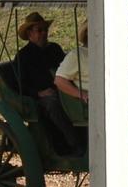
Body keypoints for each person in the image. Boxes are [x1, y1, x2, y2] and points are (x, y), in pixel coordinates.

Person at [53, 20, 128, 151]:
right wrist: (81, 94)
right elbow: (59, 80)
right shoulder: (78, 55)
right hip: (97, 102)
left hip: (123, 96)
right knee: (127, 112)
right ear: (88, 33)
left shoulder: (112, 52)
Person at [16, 11, 82, 156]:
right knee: (54, 104)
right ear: (29, 34)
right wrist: (39, 93)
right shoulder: (23, 56)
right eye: (39, 30)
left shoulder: (55, 49)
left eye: (45, 30)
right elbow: (20, 85)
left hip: (62, 89)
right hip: (40, 97)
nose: (44, 33)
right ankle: (73, 144)